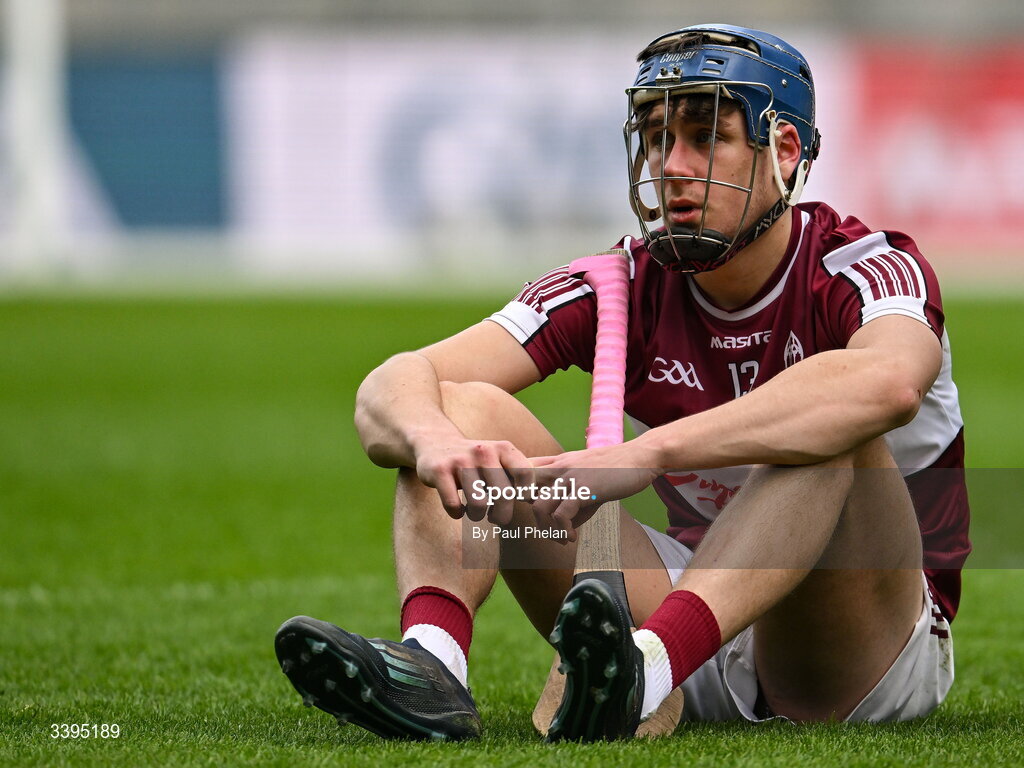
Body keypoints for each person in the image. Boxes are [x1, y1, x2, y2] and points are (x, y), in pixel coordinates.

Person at [274, 23, 970, 741]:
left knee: (832, 434)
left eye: (705, 136)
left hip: (862, 649)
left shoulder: (869, 266)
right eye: (658, 137)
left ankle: (644, 672)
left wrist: (643, 455)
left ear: (785, 152)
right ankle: (434, 664)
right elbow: (393, 384)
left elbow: (887, 386)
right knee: (461, 408)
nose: (672, 165)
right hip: (683, 617)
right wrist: (433, 441)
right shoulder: (619, 281)